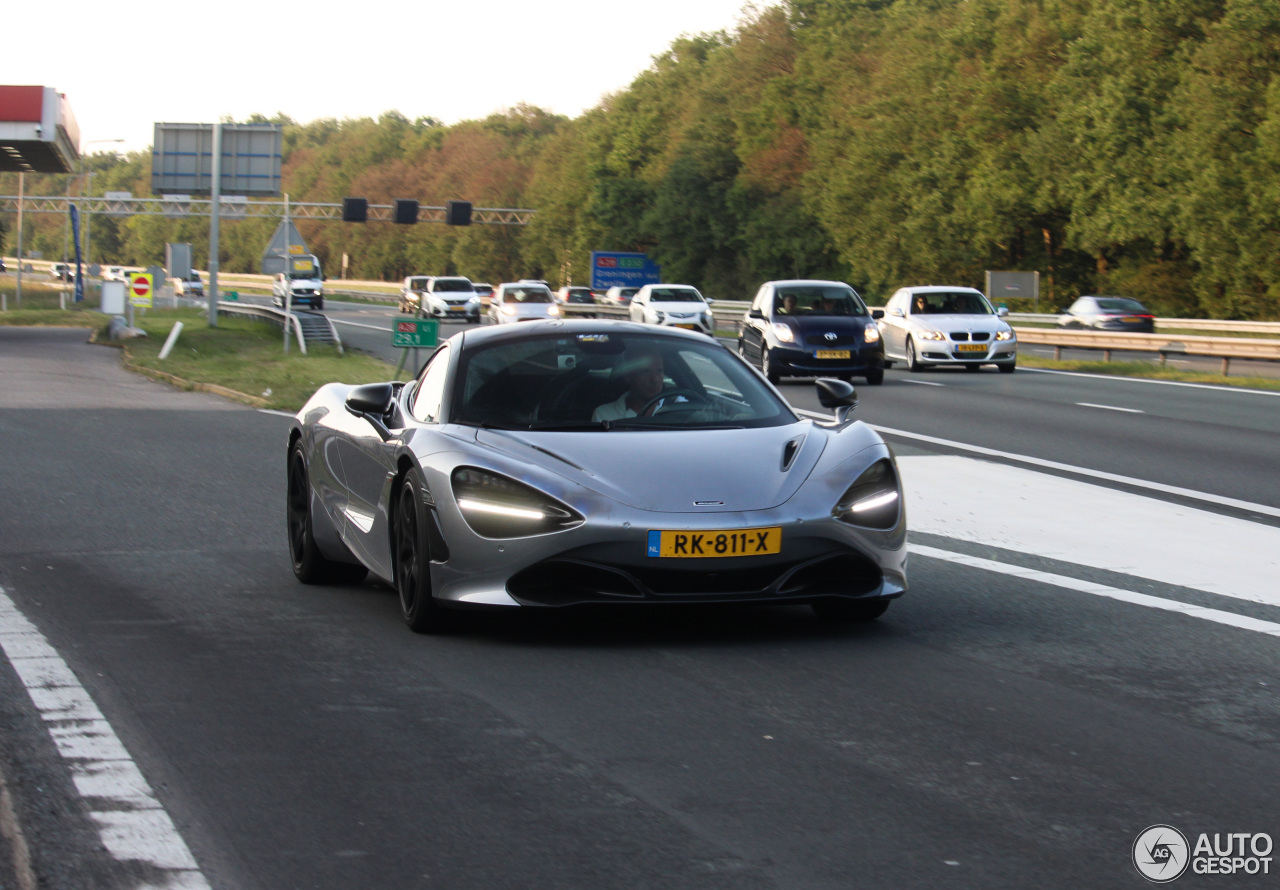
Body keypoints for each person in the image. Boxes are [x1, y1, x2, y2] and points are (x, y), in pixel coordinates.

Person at [593, 350, 667, 422]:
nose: (655, 379)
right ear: (628, 376)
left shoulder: (676, 405)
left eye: (659, 371)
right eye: (645, 372)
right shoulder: (605, 415)